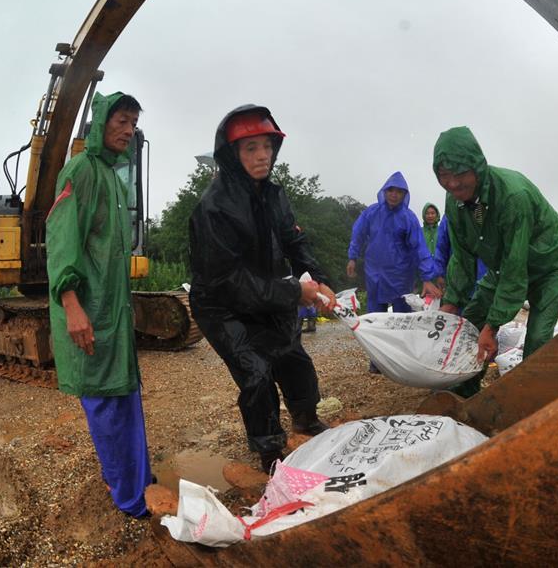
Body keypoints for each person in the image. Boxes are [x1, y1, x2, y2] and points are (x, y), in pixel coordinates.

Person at [188, 105, 337, 473]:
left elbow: (294, 240)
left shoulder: (273, 194)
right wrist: (293, 294)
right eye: (251, 148)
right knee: (255, 371)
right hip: (222, 305)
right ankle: (270, 449)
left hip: (269, 293)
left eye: (267, 146)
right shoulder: (213, 208)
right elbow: (230, 282)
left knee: (293, 357)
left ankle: (305, 418)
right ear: (233, 154)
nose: (262, 156)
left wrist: (319, 280)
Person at [46, 91, 153, 518]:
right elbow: (61, 240)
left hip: (113, 312)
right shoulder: (82, 170)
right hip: (90, 310)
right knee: (106, 404)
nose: (128, 129)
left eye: (132, 123)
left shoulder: (112, 174)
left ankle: (140, 481)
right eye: (121, 120)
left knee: (125, 395)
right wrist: (71, 304)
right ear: (101, 122)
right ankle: (128, 498)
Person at [433, 126, 558, 397]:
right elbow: (462, 257)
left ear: (477, 167)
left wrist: (494, 326)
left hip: (550, 266)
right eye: (444, 175)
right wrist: (451, 302)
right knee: (471, 318)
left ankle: (530, 401)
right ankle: (464, 392)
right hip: (505, 265)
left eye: (460, 173)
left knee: (537, 338)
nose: (452, 183)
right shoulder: (455, 202)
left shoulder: (513, 197)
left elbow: (515, 268)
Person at [346, 172, 442, 314]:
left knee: (401, 315)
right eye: (391, 190)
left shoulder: (408, 218)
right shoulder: (372, 212)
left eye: (399, 191)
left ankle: (401, 337)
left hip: (400, 275)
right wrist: (352, 258)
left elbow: (419, 248)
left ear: (404, 194)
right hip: (375, 272)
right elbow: (358, 234)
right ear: (384, 191)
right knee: (375, 315)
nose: (394, 194)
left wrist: (427, 277)